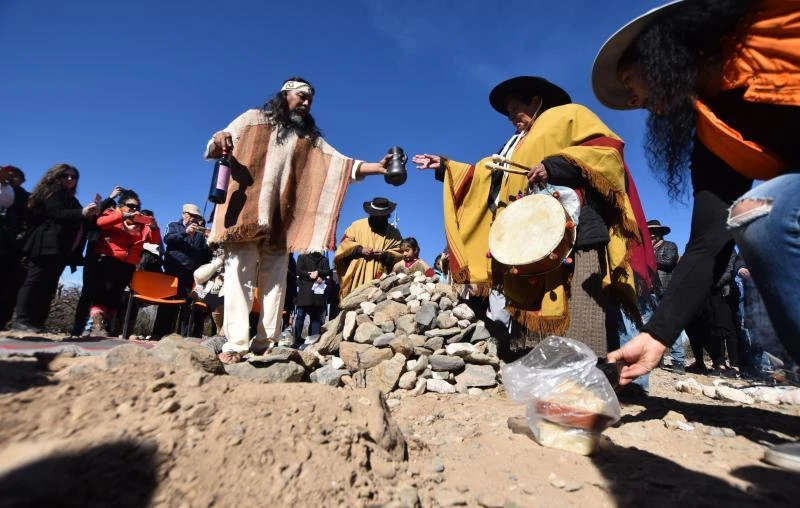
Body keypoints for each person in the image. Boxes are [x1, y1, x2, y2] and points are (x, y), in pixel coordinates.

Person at [593, 0, 800, 383]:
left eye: (628, 82)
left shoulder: (777, 27)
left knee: (774, 211)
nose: (633, 101)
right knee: (758, 216)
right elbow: (709, 242)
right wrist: (657, 335)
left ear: (659, 55)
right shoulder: (714, 135)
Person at [413, 76, 656, 357]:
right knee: (545, 306)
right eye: (508, 113)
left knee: (588, 299)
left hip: (577, 229)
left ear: (537, 101)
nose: (511, 116)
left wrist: (554, 165)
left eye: (517, 107)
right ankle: (558, 369)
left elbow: (605, 149)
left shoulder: (569, 115)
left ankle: (613, 372)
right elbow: (490, 172)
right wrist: (446, 166)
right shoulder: (514, 145)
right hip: (534, 239)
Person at [204, 76, 393, 364]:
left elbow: (340, 165)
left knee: (275, 283)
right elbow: (219, 142)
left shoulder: (309, 139)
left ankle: (265, 343)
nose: (306, 102)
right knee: (238, 279)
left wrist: (377, 168)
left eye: (310, 99)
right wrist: (219, 138)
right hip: (246, 213)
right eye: (301, 95)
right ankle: (235, 344)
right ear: (285, 95)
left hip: (281, 221)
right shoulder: (253, 119)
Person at [11, 164, 98, 332]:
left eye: (74, 177)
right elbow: (57, 213)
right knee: (34, 281)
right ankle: (21, 320)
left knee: (49, 286)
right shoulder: (52, 193)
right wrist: (82, 213)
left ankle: (37, 322)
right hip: (45, 242)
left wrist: (90, 214)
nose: (70, 179)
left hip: (62, 248)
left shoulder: (72, 199)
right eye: (65, 175)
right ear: (56, 176)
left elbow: (79, 219)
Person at [88, 189, 161, 335]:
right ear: (121, 205)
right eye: (130, 206)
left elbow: (155, 241)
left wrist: (153, 227)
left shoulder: (141, 224)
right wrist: (122, 216)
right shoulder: (111, 213)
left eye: (137, 207)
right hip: (107, 259)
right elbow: (101, 223)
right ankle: (96, 326)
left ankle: (107, 328)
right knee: (101, 294)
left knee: (115, 297)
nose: (134, 210)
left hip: (128, 264)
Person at [152, 203, 212, 338]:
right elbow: (168, 239)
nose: (194, 219)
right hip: (172, 274)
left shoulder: (200, 234)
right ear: (184, 214)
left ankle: (184, 338)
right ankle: (159, 335)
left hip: (190, 278)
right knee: (167, 307)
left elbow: (206, 256)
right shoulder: (174, 225)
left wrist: (210, 241)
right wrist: (185, 232)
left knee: (188, 310)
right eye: (191, 215)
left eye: (197, 217)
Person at [70, 186, 123, 336]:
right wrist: (111, 197)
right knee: (87, 293)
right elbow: (95, 218)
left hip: (110, 261)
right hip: (93, 257)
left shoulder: (118, 222)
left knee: (103, 294)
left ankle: (95, 327)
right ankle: (78, 327)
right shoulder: (96, 220)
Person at [334, 197, 403, 299]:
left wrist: (384, 255)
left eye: (382, 217)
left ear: (387, 215)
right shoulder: (357, 226)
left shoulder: (394, 233)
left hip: (381, 277)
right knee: (354, 304)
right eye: (376, 216)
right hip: (357, 274)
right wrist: (359, 250)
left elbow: (400, 252)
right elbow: (344, 244)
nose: (379, 219)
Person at [648, 219, 686, 374]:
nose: (651, 235)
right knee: (650, 326)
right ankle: (656, 359)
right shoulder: (645, 248)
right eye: (648, 232)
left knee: (669, 325)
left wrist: (648, 259)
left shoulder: (670, 246)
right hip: (648, 291)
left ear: (659, 234)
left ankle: (679, 360)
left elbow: (669, 262)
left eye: (654, 232)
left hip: (665, 290)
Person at [0, 165, 29, 329]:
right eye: (8, 174)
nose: (10, 177)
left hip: (11, 243)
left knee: (8, 283)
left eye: (15, 175)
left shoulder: (23, 197)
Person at [294, 250, 331, 341]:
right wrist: (311, 275)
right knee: (304, 315)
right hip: (307, 292)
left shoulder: (323, 259)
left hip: (315, 292)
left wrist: (318, 272)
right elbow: (298, 270)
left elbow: (328, 271)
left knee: (311, 316)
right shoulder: (303, 257)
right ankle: (302, 338)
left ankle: (310, 339)